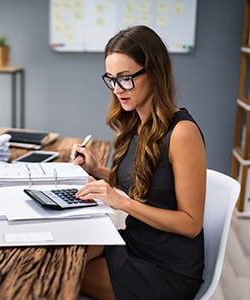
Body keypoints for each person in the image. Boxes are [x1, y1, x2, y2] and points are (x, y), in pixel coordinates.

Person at [73, 25, 207, 300]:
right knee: (65, 253)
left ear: (154, 73)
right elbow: (147, 184)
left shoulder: (182, 133)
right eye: (111, 79)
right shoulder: (137, 121)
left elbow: (191, 223)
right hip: (136, 242)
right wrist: (97, 171)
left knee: (64, 273)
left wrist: (122, 202)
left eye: (125, 78)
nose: (117, 89)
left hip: (168, 268)